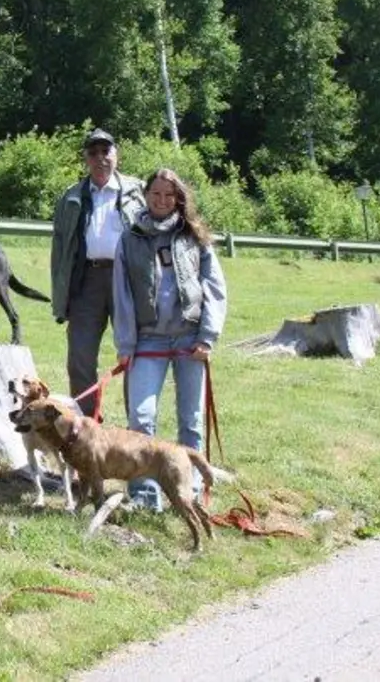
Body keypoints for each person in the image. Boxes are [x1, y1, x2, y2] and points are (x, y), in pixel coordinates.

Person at [111, 167, 228, 511]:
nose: (162, 201)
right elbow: (123, 296)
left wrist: (207, 337)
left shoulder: (193, 237)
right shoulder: (130, 238)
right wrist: (126, 346)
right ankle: (146, 498)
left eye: (169, 195)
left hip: (190, 341)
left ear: (179, 198)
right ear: (145, 196)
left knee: (189, 423)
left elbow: (215, 289)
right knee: (141, 420)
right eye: (155, 194)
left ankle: (188, 494)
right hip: (148, 342)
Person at [49, 129, 145, 418]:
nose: (100, 158)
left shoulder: (139, 191)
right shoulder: (71, 196)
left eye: (106, 151)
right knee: (79, 356)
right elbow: (60, 251)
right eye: (93, 152)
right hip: (86, 280)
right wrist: (60, 296)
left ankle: (139, 426)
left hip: (127, 280)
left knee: (134, 353)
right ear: (85, 158)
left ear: (117, 154)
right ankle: (87, 425)